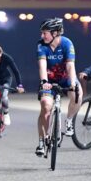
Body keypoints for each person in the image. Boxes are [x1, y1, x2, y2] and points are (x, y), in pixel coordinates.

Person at [36, 17, 83, 156]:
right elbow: (42, 65)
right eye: (42, 33)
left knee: (78, 94)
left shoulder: (67, 43)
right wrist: (44, 82)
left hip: (65, 78)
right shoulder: (41, 45)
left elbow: (70, 66)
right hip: (49, 81)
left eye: (45, 33)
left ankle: (69, 121)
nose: (42, 36)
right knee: (45, 106)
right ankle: (42, 141)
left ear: (55, 33)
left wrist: (73, 83)